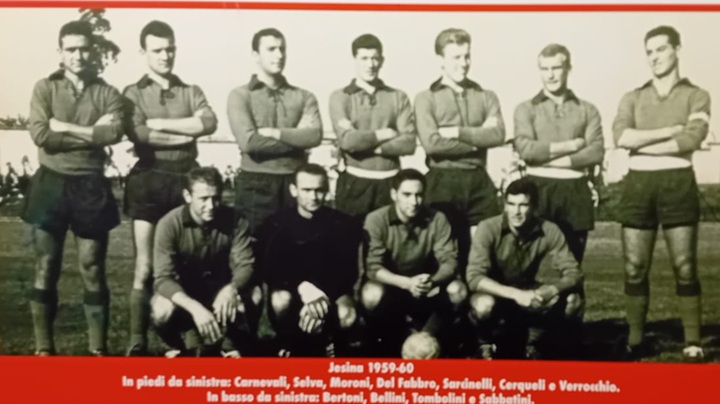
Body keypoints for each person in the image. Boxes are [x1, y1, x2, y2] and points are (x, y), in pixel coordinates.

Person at [24, 20, 125, 356]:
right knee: (46, 265)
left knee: (92, 267)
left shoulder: (107, 92)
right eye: (71, 49)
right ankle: (44, 350)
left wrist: (64, 126)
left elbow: (113, 134)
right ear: (60, 51)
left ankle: (97, 351)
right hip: (50, 183)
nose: (78, 55)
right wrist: (92, 134)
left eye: (84, 49)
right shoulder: (45, 88)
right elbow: (41, 135)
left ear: (93, 51)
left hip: (91, 185)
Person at [612, 26, 710, 362]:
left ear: (677, 50)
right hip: (638, 184)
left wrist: (642, 144)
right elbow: (621, 137)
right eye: (649, 51)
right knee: (634, 267)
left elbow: (692, 138)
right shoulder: (633, 97)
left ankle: (693, 341)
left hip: (678, 181)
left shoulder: (697, 95)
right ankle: (635, 340)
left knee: (684, 266)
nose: (654, 57)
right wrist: (670, 131)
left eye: (661, 49)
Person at [122, 20, 218, 356]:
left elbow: (209, 123)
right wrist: (186, 132)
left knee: (187, 263)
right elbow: (140, 134)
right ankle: (137, 341)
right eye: (157, 50)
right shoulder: (133, 93)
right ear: (143, 52)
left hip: (185, 179)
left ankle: (188, 339)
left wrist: (160, 124)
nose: (165, 56)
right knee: (145, 266)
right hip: (148, 181)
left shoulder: (191, 90)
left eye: (170, 49)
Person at [414, 28, 506, 272]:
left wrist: (455, 132)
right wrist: (478, 139)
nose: (463, 64)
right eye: (456, 57)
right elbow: (432, 143)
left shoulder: (486, 96)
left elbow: (497, 135)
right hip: (442, 180)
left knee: (482, 257)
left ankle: (478, 297)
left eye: (467, 56)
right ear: (440, 60)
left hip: (479, 181)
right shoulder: (426, 98)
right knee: (443, 257)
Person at [466, 178, 584, 359]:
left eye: (523, 205)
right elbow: (474, 277)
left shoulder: (549, 229)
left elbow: (574, 273)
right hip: (494, 291)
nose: (516, 212)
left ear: (534, 207)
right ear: (504, 205)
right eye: (511, 204)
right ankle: (483, 344)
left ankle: (545, 346)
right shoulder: (488, 227)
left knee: (572, 300)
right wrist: (515, 294)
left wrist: (552, 289)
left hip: (527, 289)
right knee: (483, 306)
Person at [255, 164, 362, 357]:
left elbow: (348, 273)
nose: (313, 197)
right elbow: (271, 270)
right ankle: (287, 342)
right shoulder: (276, 223)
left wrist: (320, 299)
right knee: (280, 300)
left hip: (330, 293)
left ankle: (334, 345)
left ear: (326, 190)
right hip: (294, 292)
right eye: (306, 190)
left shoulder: (343, 224)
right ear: (294, 190)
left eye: (319, 190)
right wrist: (303, 288)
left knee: (347, 314)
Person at [151, 167, 258, 357]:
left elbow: (245, 265)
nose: (211, 205)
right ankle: (177, 345)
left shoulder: (236, 219)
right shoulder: (169, 224)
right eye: (203, 199)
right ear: (187, 196)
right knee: (161, 309)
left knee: (255, 295)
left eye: (216, 198)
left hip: (221, 291)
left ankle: (233, 343)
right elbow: (163, 278)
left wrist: (232, 288)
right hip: (186, 293)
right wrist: (195, 308)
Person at [513, 43, 604, 264]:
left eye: (556, 68)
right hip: (536, 188)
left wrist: (548, 161)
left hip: (575, 190)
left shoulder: (587, 109)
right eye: (544, 69)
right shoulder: (525, 109)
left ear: (568, 69)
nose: (550, 75)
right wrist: (572, 146)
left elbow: (595, 151)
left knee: (571, 264)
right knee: (529, 264)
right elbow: (527, 150)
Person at [361, 169, 467, 357]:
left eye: (419, 195)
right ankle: (384, 344)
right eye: (407, 195)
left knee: (458, 291)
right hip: (392, 286)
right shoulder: (376, 219)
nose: (414, 201)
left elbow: (449, 261)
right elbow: (373, 267)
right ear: (394, 194)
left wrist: (431, 280)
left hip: (426, 286)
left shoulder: (437, 218)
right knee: (371, 294)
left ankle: (428, 339)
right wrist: (407, 283)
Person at [227, 28, 323, 235]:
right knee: (258, 245)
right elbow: (250, 143)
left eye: (282, 49)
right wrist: (297, 139)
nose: (279, 55)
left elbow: (314, 136)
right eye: (271, 49)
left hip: (295, 181)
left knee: (298, 245)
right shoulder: (240, 95)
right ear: (255, 55)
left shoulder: (304, 96)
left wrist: (276, 133)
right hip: (255, 183)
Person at [328, 33, 417, 219]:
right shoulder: (341, 97)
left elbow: (408, 143)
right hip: (355, 183)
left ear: (382, 60)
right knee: (351, 234)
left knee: (391, 234)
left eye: (375, 58)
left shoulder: (398, 96)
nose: (370, 65)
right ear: (354, 59)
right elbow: (348, 141)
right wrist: (383, 134)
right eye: (364, 58)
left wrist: (367, 146)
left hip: (391, 182)